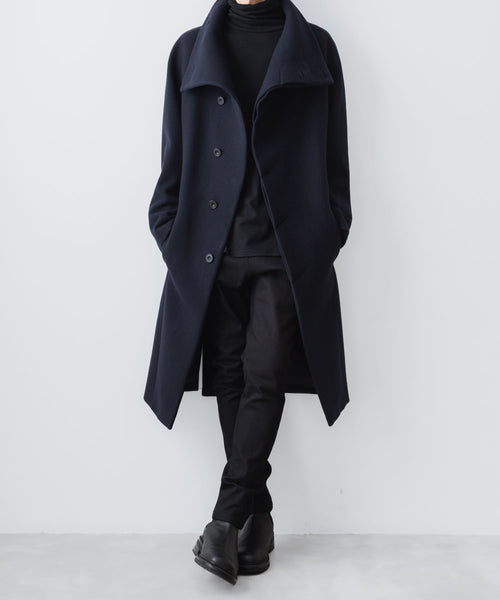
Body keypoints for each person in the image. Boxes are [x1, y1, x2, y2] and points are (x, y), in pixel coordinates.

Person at [146, 0, 351, 586]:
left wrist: (328, 230)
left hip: (286, 252)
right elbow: (172, 163)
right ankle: (256, 519)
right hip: (211, 254)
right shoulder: (190, 50)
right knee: (230, 380)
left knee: (265, 375)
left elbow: (335, 157)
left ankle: (222, 521)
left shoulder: (315, 47)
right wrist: (172, 234)